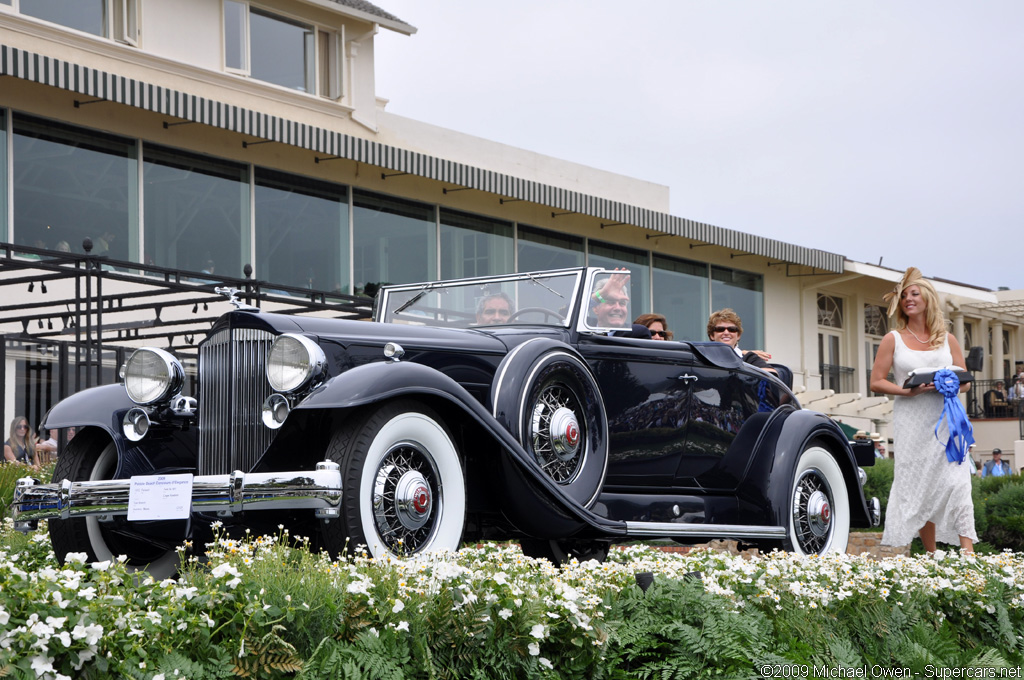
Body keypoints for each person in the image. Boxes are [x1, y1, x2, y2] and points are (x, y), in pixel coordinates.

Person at [870, 266, 976, 552]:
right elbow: (876, 382)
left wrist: (952, 385)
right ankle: (932, 555)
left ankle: (970, 555)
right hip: (912, 421)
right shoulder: (893, 338)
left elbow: (965, 382)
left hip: (947, 419)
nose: (908, 299)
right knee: (920, 484)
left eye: (914, 294)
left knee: (957, 483)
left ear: (928, 299)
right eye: (904, 296)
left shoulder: (948, 339)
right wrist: (909, 390)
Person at [706, 309, 775, 372]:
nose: (726, 333)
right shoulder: (702, 357)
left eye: (732, 329)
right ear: (712, 335)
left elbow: (772, 374)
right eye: (720, 329)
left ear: (738, 335)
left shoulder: (748, 358)